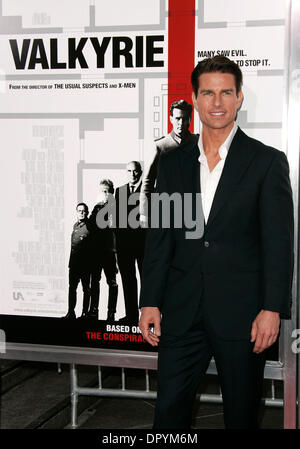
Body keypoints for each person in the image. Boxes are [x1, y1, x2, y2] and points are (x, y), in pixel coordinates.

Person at [138, 56, 294, 429]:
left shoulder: (267, 162)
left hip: (242, 316)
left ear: (240, 98)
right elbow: (160, 238)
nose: (218, 102)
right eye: (208, 92)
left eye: (226, 92)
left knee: (241, 416)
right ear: (195, 98)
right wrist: (150, 301)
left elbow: (278, 243)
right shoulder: (172, 162)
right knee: (168, 417)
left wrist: (271, 308)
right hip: (180, 312)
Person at [140, 99, 198, 222]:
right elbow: (148, 181)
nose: (181, 123)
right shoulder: (161, 145)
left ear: (190, 119)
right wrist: (144, 213)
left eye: (185, 118)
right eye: (177, 118)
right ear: (171, 119)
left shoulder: (198, 143)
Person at [115, 161, 146, 324]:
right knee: (128, 281)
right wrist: (116, 249)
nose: (132, 174)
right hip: (124, 247)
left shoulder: (148, 190)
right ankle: (131, 316)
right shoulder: (119, 192)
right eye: (129, 171)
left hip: (144, 245)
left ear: (140, 172)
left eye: (135, 171)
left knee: (147, 282)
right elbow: (117, 223)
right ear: (126, 172)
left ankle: (147, 317)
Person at [88, 179, 118, 321]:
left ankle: (111, 313)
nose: (104, 194)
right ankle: (94, 310)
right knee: (95, 281)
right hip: (96, 251)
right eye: (102, 191)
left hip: (110, 251)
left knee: (112, 282)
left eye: (106, 191)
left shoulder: (117, 207)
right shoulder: (96, 208)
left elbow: (114, 227)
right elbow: (90, 227)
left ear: (111, 192)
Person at [63, 203, 91, 319]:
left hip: (85, 264)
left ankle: (85, 313)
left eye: (84, 211)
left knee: (86, 289)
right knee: (72, 288)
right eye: (79, 211)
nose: (81, 213)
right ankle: (71, 312)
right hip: (74, 263)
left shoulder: (90, 226)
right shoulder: (75, 225)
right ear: (76, 212)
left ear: (87, 212)